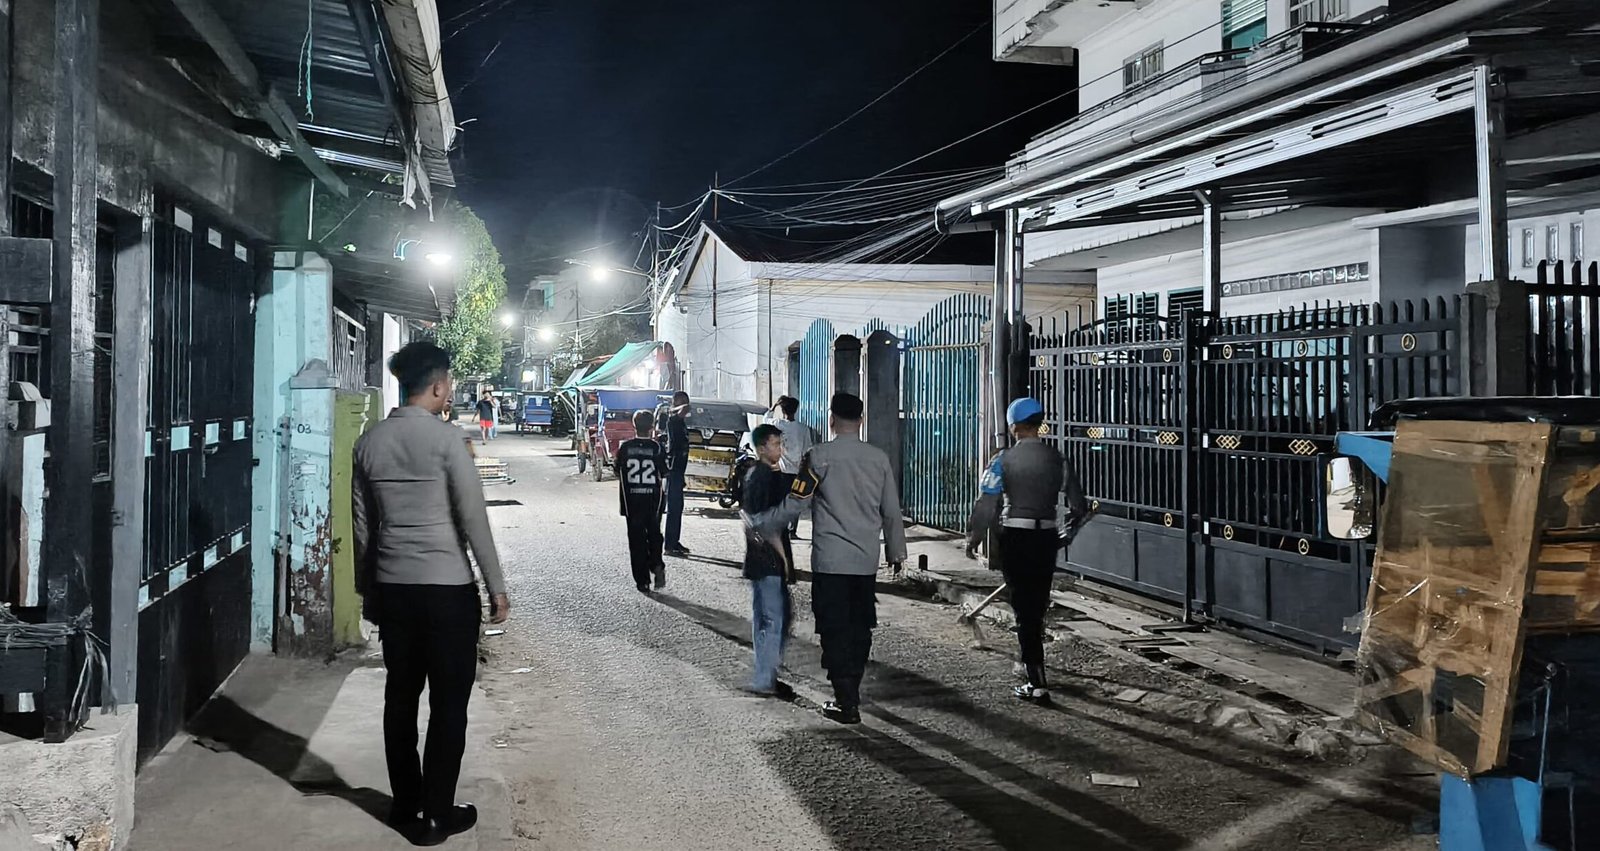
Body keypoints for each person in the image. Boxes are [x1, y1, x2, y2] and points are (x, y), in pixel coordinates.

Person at [352, 342, 510, 846]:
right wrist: (496, 587)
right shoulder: (447, 442)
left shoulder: (369, 442)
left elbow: (362, 528)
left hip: (394, 590)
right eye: (450, 384)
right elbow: (473, 520)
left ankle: (405, 804)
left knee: (400, 696)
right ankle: (437, 814)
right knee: (448, 704)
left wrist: (368, 590)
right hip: (447, 593)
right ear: (439, 386)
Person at [750, 392, 905, 724]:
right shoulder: (878, 459)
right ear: (861, 421)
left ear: (832, 420)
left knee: (834, 627)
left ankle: (844, 697)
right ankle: (852, 689)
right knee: (861, 626)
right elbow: (891, 510)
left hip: (830, 561)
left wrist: (765, 523)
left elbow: (796, 502)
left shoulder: (817, 457)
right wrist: (897, 552)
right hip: (865, 561)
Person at [965, 397, 1090, 704]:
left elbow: (986, 505)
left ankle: (1036, 682)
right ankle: (1032, 669)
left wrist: (973, 539)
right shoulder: (1058, 460)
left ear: (1012, 426)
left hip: (1016, 539)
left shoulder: (1002, 461)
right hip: (1046, 538)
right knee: (1037, 607)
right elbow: (1079, 506)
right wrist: (1066, 533)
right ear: (1039, 422)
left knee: (1024, 611)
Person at [740, 423, 794, 695]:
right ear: (762, 448)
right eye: (776, 444)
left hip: (756, 559)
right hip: (768, 559)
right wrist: (783, 558)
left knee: (765, 618)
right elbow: (765, 523)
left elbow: (747, 517)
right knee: (774, 620)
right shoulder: (765, 477)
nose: (780, 449)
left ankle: (765, 674)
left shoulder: (753, 474)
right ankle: (764, 679)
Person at [617, 409, 668, 593]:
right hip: (653, 501)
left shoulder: (625, 448)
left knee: (636, 541)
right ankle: (656, 564)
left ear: (634, 425)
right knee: (655, 535)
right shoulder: (656, 448)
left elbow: (618, 470)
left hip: (631, 502)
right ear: (652, 426)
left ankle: (642, 581)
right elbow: (664, 472)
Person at [770, 396, 813, 540]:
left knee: (781, 501)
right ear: (796, 410)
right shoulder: (803, 429)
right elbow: (808, 450)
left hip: (782, 472)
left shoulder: (777, 424)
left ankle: (780, 529)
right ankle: (792, 531)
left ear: (782, 410)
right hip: (798, 472)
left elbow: (765, 419)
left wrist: (773, 406)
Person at [663, 391, 692, 557]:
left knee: (677, 507)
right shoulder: (673, 420)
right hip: (673, 470)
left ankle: (674, 541)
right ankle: (669, 545)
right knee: (674, 508)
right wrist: (679, 406)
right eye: (683, 403)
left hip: (679, 471)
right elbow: (685, 408)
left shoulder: (680, 422)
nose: (686, 407)